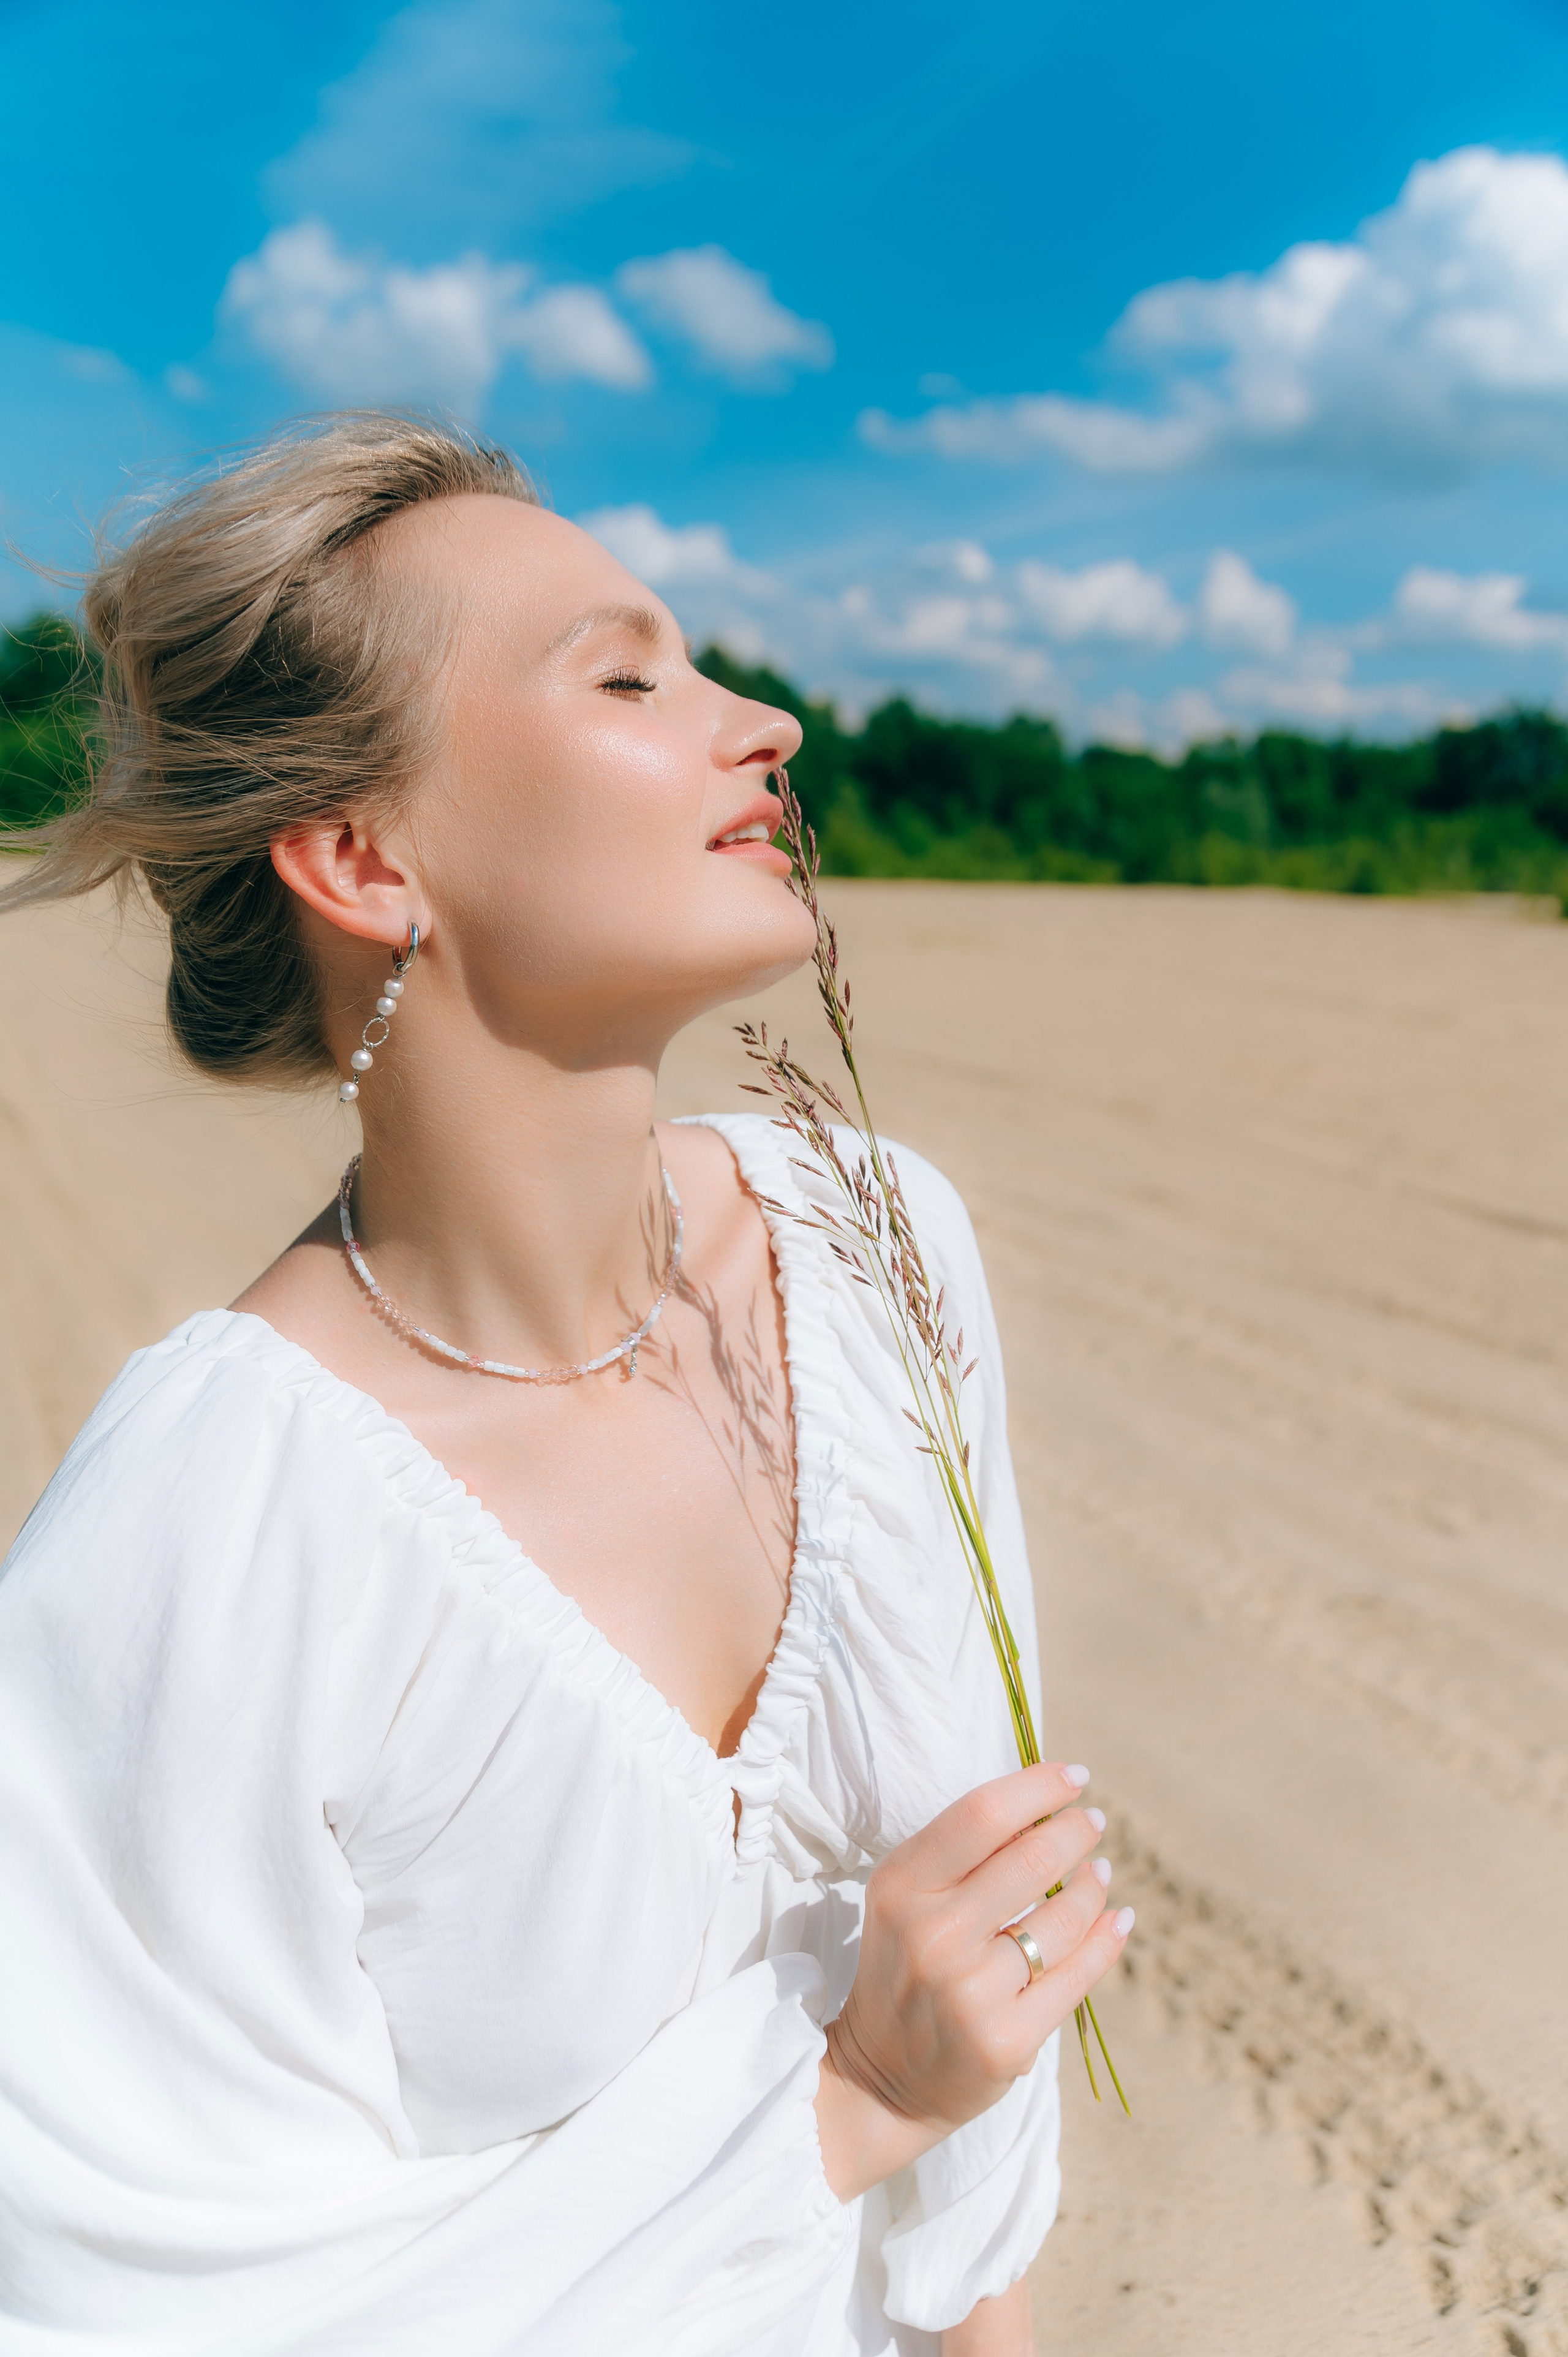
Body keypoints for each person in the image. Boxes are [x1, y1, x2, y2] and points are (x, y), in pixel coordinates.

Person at [0, 413, 1131, 2357]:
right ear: (363, 857)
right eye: (629, 675)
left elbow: (984, 2096)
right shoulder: (210, 1527)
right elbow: (151, 2306)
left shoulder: (874, 1252)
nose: (760, 719)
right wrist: (839, 2104)